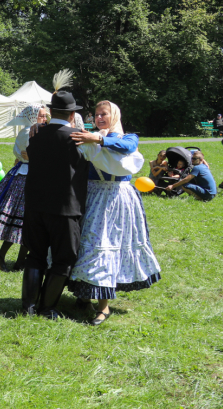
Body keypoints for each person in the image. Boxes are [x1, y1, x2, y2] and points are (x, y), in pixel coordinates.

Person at [68, 101, 161, 325]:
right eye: (96, 115)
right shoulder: (87, 136)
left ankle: (104, 306)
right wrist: (37, 127)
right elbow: (63, 134)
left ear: (115, 115)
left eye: (104, 114)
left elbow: (127, 148)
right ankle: (84, 295)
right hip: (92, 196)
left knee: (107, 244)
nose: (99, 118)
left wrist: (98, 139)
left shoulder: (128, 138)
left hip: (118, 199)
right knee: (88, 243)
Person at [20, 91, 88, 318]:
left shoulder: (36, 134)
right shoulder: (79, 137)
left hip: (35, 204)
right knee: (63, 259)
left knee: (35, 255)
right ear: (72, 114)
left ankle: (28, 306)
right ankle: (47, 307)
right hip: (65, 208)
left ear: (51, 111)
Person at [0, 105, 49, 270]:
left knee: (22, 223)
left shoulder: (28, 131)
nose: (44, 119)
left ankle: (10, 258)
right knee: (26, 222)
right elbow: (32, 156)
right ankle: (15, 260)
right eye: (41, 116)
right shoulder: (30, 132)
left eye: (45, 116)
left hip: (22, 174)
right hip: (27, 177)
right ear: (32, 117)